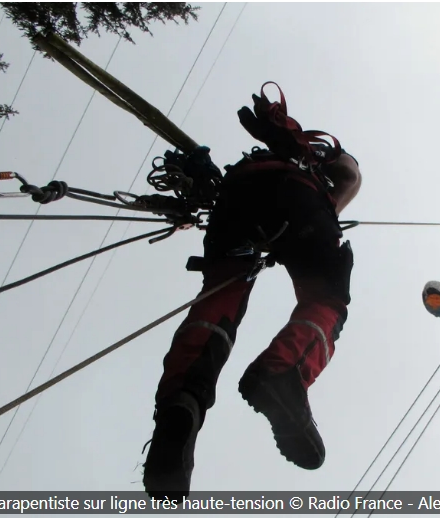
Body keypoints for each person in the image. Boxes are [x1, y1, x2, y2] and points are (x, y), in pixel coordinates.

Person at [141, 83, 362, 499]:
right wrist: (325, 211)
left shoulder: (258, 158)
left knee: (221, 294)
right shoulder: (321, 158)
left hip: (236, 196)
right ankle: (282, 371)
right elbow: (350, 174)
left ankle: (182, 400)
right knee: (326, 300)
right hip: (300, 199)